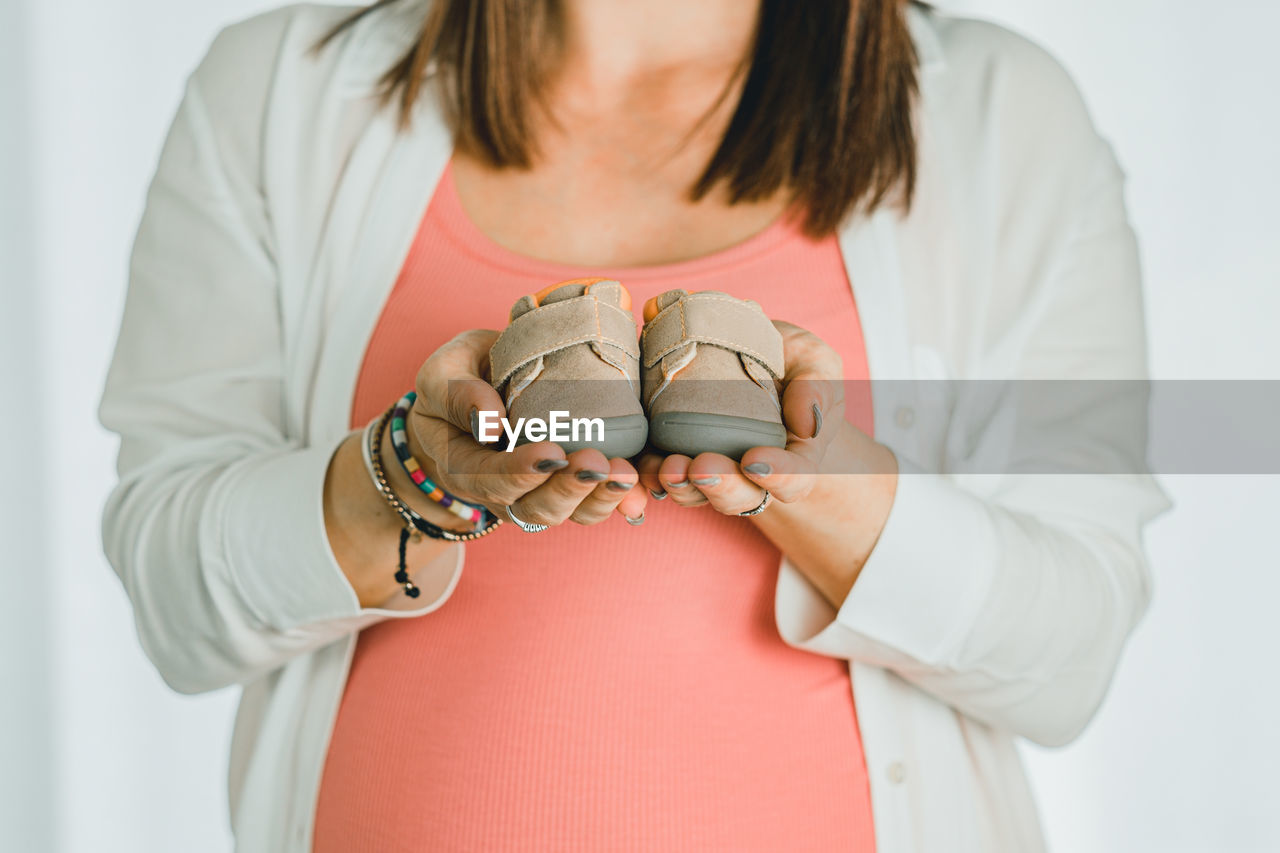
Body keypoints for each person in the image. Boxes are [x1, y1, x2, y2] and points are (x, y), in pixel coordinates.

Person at [97, 1, 1171, 851]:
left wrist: (818, 486)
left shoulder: (999, 117)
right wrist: (413, 471)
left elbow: (1068, 653)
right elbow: (172, 593)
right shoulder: (277, 91)